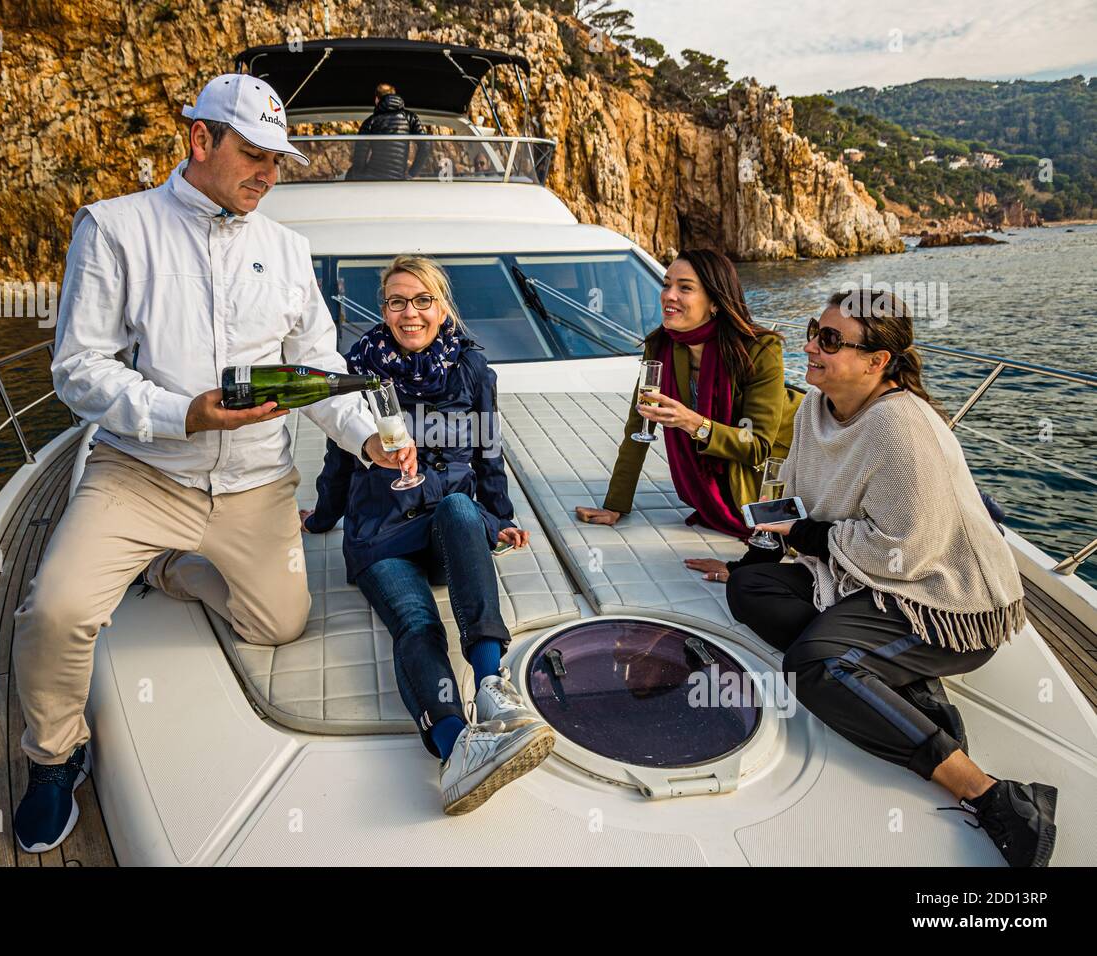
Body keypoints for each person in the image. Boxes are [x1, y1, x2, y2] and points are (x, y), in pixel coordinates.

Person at [10, 74, 415, 854]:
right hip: (141, 472)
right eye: (254, 155)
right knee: (55, 610)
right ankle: (54, 756)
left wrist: (367, 439)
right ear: (201, 141)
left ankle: (164, 571)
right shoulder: (114, 227)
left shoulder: (289, 250)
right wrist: (181, 413)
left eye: (278, 160)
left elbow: (319, 371)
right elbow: (79, 369)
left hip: (257, 482)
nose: (269, 174)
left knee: (280, 623)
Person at [715, 289, 1057, 868]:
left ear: (877, 362)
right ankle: (898, 685)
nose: (810, 347)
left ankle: (996, 797)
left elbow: (906, 551)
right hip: (867, 582)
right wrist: (753, 558)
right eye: (812, 332)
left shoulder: (901, 428)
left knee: (814, 666)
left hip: (943, 600)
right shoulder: (814, 410)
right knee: (749, 591)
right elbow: (791, 502)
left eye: (829, 340)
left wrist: (811, 538)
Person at [301, 255, 554, 815]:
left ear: (441, 307)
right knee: (414, 623)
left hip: (447, 521)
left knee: (463, 508)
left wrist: (502, 517)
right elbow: (340, 456)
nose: (409, 313)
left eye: (421, 300)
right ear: (383, 308)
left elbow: (488, 453)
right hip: (380, 530)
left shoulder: (472, 369)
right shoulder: (359, 369)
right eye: (395, 301)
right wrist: (322, 517)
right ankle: (454, 747)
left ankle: (492, 685)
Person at [577, 249, 801, 537]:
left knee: (772, 545)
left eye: (685, 288)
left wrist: (692, 422)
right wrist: (615, 505)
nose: (669, 295)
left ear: (715, 302)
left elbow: (756, 445)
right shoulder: (662, 345)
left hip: (776, 474)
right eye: (667, 284)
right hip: (709, 489)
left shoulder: (760, 349)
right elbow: (638, 427)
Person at [348, 83, 431, 181]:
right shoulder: (410, 118)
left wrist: (360, 179)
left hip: (372, 179)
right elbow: (426, 145)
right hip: (398, 178)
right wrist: (411, 173)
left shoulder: (370, 121)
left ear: (376, 100)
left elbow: (359, 157)